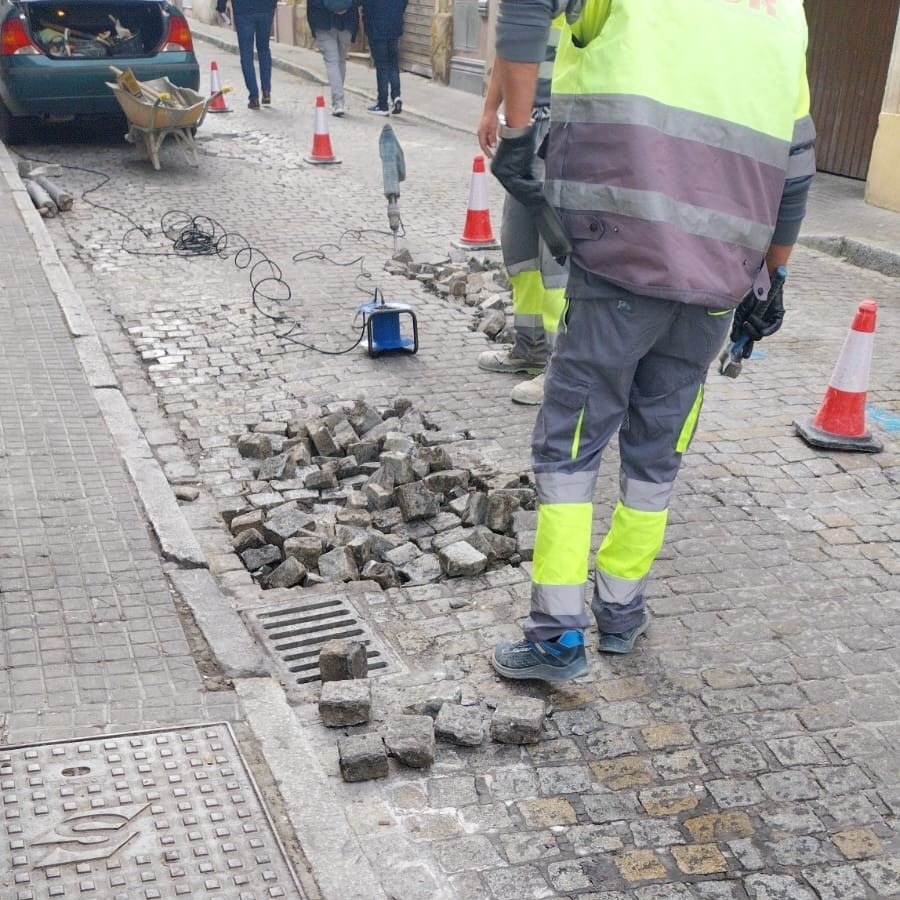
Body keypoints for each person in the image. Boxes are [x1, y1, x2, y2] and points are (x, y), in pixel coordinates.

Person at [488, 0, 816, 682]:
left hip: (620, 260)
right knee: (658, 450)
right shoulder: (785, 13)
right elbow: (798, 163)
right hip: (719, 283)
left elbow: (522, 9)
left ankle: (557, 636)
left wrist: (518, 133)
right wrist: (772, 278)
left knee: (571, 444)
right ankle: (623, 610)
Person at [477, 20, 567, 406]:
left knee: (556, 263)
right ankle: (529, 349)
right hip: (524, 130)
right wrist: (489, 109)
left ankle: (562, 370)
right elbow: (509, 48)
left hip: (564, 132)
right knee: (521, 251)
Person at [217, 0, 276, 109]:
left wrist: (221, 7)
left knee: (246, 53)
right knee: (264, 49)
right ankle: (266, 91)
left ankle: (254, 97)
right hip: (266, 8)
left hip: (243, 10)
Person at [307, 0, 360, 117]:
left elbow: (312, 4)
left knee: (332, 62)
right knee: (341, 61)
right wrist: (346, 6)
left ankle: (338, 103)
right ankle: (339, 101)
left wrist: (330, 7)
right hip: (347, 23)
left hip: (323, 23)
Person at [362, 0, 407, 115]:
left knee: (382, 66)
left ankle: (383, 104)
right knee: (393, 63)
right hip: (394, 26)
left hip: (377, 28)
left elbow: (366, 5)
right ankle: (396, 96)